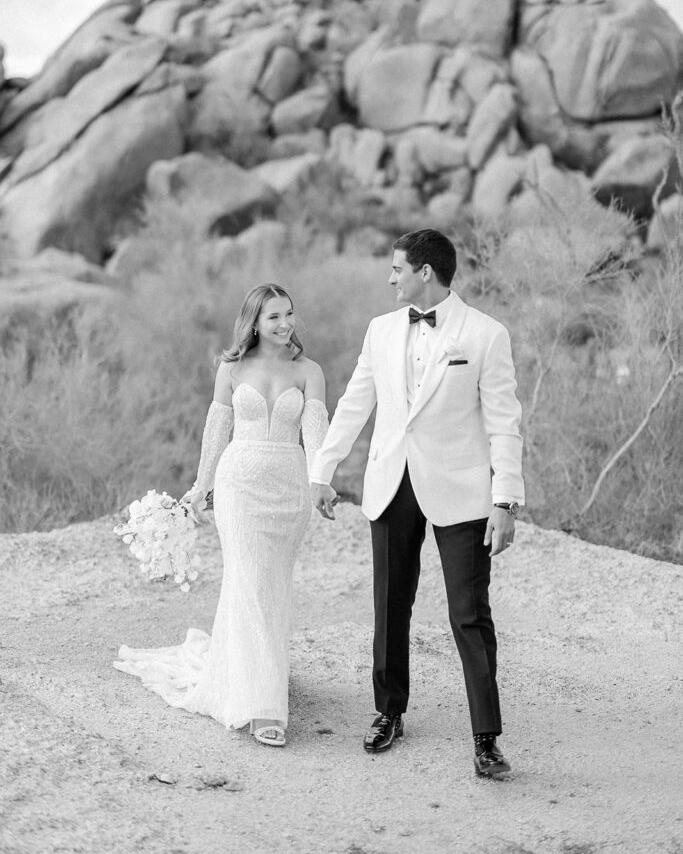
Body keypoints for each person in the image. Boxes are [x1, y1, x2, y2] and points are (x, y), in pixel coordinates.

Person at [310, 229, 524, 777]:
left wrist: (506, 501)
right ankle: (388, 712)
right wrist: (323, 470)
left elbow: (504, 424)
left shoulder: (485, 335)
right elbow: (356, 401)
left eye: (397, 268)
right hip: (391, 481)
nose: (390, 277)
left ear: (425, 272)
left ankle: (486, 739)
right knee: (390, 605)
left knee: (469, 615)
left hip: (462, 488)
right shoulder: (381, 330)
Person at [115, 283, 329, 748]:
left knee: (270, 586)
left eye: (289, 313)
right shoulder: (231, 369)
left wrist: (321, 480)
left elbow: (316, 433)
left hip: (288, 489)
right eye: (274, 316)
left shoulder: (310, 371)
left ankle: (254, 675)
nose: (285, 323)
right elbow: (217, 433)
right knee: (249, 582)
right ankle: (262, 708)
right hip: (240, 489)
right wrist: (199, 489)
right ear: (254, 322)